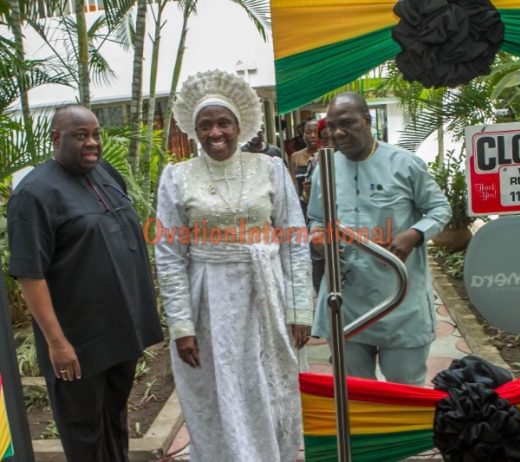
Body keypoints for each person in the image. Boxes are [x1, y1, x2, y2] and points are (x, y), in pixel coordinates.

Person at [155, 70, 313, 462]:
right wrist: (182, 326)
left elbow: (294, 239)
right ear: (194, 131)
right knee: (220, 388)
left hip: (267, 297)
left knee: (269, 387)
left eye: (223, 122)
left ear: (239, 126)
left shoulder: (270, 168)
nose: (215, 132)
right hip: (210, 302)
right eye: (205, 125)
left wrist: (299, 309)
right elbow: (170, 256)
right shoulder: (177, 177)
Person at [7, 105, 163, 461]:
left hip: (121, 333)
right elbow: (30, 274)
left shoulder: (104, 173)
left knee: (115, 421)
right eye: (81, 136)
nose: (92, 143)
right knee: (85, 434)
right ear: (56, 138)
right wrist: (57, 343)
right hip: (79, 342)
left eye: (96, 134)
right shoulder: (34, 194)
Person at [308, 92, 451, 386]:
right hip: (346, 302)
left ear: (367, 120)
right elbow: (316, 218)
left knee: (405, 392)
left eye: (347, 123)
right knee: (357, 393)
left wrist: (414, 234)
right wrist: (318, 236)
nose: (338, 132)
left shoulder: (405, 164)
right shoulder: (325, 168)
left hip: (400, 301)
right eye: (332, 126)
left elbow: (440, 209)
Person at [289, 118, 319, 217]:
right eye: (308, 132)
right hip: (301, 209)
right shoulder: (295, 157)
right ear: (303, 135)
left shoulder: (326, 156)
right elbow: (292, 187)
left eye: (316, 132)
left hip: (322, 207)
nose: (313, 136)